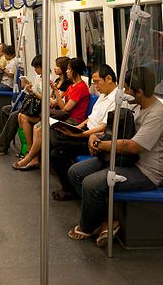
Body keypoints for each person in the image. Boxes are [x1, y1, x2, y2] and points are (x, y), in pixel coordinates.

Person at [67, 66, 163, 247]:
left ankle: (88, 226)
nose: (123, 92)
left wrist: (100, 145)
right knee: (75, 172)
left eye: (127, 89)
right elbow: (115, 131)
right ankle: (104, 222)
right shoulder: (137, 106)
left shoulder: (157, 115)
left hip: (145, 171)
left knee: (91, 183)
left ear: (139, 92)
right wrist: (96, 137)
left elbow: (132, 147)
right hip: (127, 161)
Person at [50, 64, 120, 201]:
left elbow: (103, 127)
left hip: (95, 138)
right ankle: (69, 188)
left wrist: (79, 135)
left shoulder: (117, 100)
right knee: (57, 139)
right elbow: (90, 118)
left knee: (57, 152)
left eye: (97, 82)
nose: (95, 86)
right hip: (86, 130)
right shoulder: (103, 96)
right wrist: (78, 128)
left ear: (109, 78)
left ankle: (70, 190)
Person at [13, 58, 90, 170]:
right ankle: (33, 159)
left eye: (69, 69)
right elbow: (60, 103)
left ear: (74, 71)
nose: (67, 71)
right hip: (65, 116)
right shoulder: (71, 86)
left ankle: (29, 158)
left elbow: (65, 108)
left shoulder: (80, 87)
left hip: (74, 120)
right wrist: (56, 90)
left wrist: (56, 92)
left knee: (40, 129)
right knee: (36, 127)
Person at [0, 55, 42, 156]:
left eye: (37, 68)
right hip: (32, 104)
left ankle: (1, 147)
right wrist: (28, 88)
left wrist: (33, 92)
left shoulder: (48, 80)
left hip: (37, 109)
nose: (35, 70)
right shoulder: (38, 77)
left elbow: (43, 97)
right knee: (5, 109)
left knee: (14, 115)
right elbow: (34, 93)